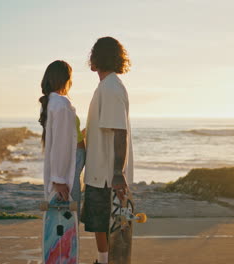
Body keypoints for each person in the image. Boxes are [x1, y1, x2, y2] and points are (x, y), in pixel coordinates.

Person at [81, 37, 133, 264]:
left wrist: (117, 173)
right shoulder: (107, 85)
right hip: (100, 172)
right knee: (99, 224)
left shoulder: (111, 87)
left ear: (98, 58)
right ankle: (102, 261)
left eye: (92, 54)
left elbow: (120, 132)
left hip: (106, 176)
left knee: (107, 225)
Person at [39, 60, 85, 220]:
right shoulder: (62, 103)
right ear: (65, 79)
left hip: (70, 162)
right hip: (69, 165)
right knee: (68, 217)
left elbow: (65, 135)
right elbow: (60, 144)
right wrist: (58, 179)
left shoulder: (52, 102)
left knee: (67, 216)